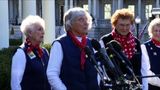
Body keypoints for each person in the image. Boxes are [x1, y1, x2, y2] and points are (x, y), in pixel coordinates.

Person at [47, 7, 100, 90]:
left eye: (87, 19)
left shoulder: (91, 43)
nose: (86, 23)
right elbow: (52, 73)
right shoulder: (60, 44)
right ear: (70, 23)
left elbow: (98, 69)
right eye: (81, 20)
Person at [99, 8, 142, 89]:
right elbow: (102, 67)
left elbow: (140, 67)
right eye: (121, 25)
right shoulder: (105, 40)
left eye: (127, 25)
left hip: (134, 85)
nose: (125, 28)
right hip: (114, 85)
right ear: (114, 24)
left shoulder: (136, 42)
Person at [11, 15, 51, 90]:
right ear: (30, 33)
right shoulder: (21, 53)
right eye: (39, 29)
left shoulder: (44, 51)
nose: (43, 32)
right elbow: (15, 83)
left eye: (43, 29)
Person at [141, 18, 160, 90]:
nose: (158, 33)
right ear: (151, 31)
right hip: (152, 87)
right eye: (155, 30)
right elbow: (146, 72)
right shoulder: (144, 47)